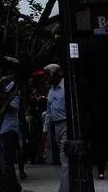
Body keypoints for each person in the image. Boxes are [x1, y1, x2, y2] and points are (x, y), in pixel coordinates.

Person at [0, 59, 22, 192]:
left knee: (6, 162)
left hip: (7, 128)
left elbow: (14, 107)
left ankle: (12, 187)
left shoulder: (9, 85)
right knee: (0, 162)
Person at [44, 63, 68, 192]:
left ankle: (65, 188)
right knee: (62, 157)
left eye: (48, 74)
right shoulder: (51, 90)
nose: (46, 78)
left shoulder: (65, 88)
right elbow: (49, 111)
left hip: (65, 124)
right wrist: (46, 128)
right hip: (56, 126)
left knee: (65, 157)